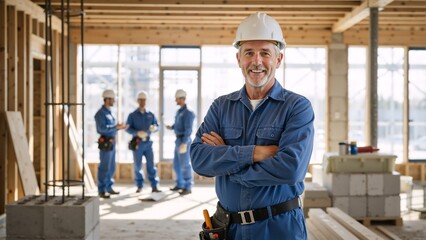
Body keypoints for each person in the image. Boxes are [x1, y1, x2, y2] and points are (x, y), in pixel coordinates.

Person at [190, 12, 314, 239]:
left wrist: (229, 165)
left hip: (278, 228)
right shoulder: (221, 107)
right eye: (249, 53)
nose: (257, 61)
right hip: (229, 228)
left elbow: (291, 169)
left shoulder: (297, 107)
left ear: (278, 59)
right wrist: (256, 153)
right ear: (239, 59)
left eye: (265, 53)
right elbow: (199, 159)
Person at [125, 91, 161, 193]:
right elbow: (127, 128)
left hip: (148, 144)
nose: (142, 102)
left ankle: (154, 185)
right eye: (140, 100)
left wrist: (154, 128)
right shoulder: (132, 115)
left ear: (146, 101)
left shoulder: (151, 114)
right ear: (137, 101)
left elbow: (157, 126)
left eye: (144, 100)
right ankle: (139, 185)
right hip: (137, 143)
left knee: (151, 165)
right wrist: (136, 133)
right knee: (138, 165)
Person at [94, 89, 128, 199]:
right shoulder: (100, 113)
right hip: (106, 143)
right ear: (107, 99)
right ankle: (101, 190)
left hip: (112, 142)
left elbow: (112, 127)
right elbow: (101, 129)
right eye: (112, 99)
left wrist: (119, 127)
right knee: (104, 166)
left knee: (111, 166)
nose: (114, 101)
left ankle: (109, 187)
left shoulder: (110, 112)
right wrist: (115, 127)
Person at [166, 89, 195, 195]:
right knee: (177, 164)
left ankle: (188, 186)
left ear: (182, 99)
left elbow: (188, 129)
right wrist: (171, 127)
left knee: (185, 164)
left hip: (184, 140)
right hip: (178, 140)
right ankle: (180, 184)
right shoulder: (179, 111)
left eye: (177, 99)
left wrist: (185, 142)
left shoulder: (188, 112)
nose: (175, 101)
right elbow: (178, 125)